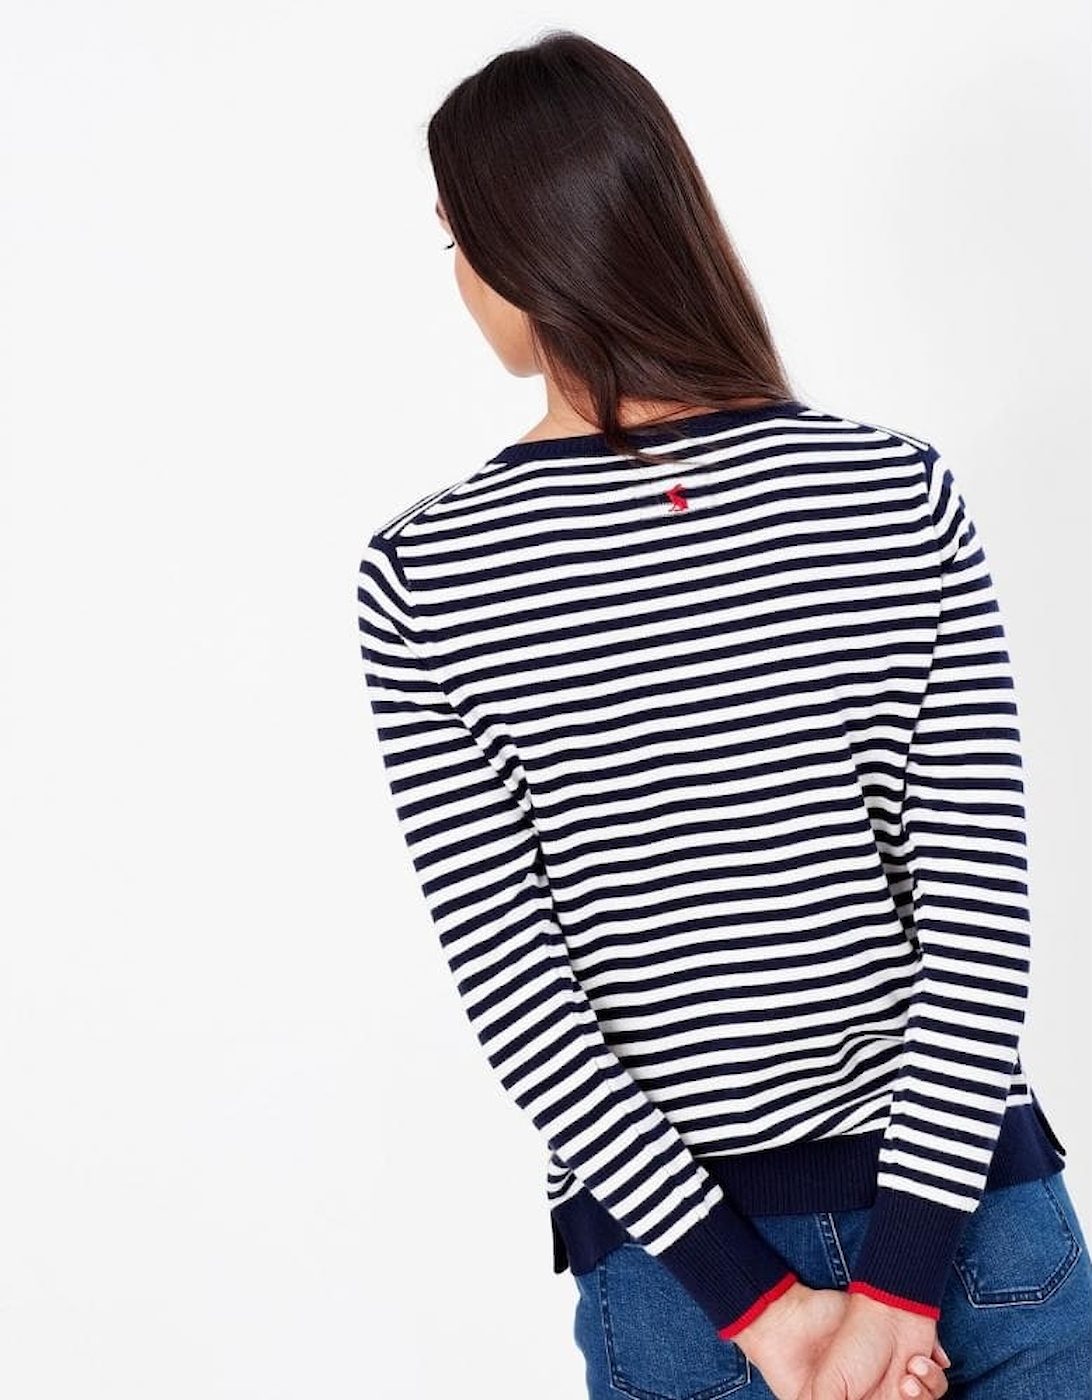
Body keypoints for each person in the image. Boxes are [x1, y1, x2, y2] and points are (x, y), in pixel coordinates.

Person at [355, 28, 1092, 1400]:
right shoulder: (892, 490)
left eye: (455, 238)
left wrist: (769, 1316)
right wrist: (900, 1288)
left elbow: (520, 991)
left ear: (523, 250)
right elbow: (978, 912)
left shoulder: (429, 574)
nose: (457, 276)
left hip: (683, 1286)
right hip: (976, 1238)